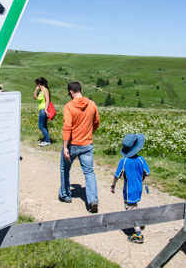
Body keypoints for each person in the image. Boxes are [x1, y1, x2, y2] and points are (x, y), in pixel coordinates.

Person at [59, 82, 100, 213]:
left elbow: (67, 127)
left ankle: (65, 195)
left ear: (71, 92)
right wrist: (89, 134)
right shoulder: (92, 104)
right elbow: (96, 122)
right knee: (89, 172)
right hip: (87, 144)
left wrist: (65, 147)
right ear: (81, 90)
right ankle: (93, 200)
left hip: (72, 144)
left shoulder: (69, 106)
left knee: (65, 169)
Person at [110, 133, 150, 244]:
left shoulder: (124, 161)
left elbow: (117, 175)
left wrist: (113, 185)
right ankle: (139, 223)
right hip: (138, 188)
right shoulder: (141, 159)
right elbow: (147, 172)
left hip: (129, 190)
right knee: (134, 205)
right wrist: (140, 179)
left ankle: (138, 234)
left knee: (130, 209)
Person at [33, 77, 51, 146]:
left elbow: (47, 100)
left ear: (39, 84)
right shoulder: (40, 91)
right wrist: (36, 90)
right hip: (41, 109)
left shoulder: (45, 90)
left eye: (36, 85)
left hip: (43, 110)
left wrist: (46, 110)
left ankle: (47, 140)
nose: (36, 86)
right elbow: (35, 97)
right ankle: (46, 139)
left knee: (40, 126)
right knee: (44, 126)